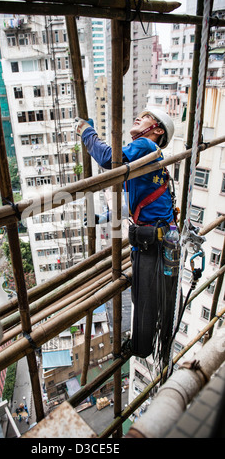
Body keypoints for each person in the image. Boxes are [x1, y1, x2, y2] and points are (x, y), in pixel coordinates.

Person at [76, 109, 181, 367]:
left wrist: (86, 133)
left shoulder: (144, 145)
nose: (138, 117)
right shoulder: (148, 162)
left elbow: (109, 160)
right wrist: (102, 218)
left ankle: (141, 348)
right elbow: (133, 205)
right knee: (148, 298)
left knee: (144, 299)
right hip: (158, 240)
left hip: (153, 243)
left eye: (146, 117)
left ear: (157, 131)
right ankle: (146, 344)